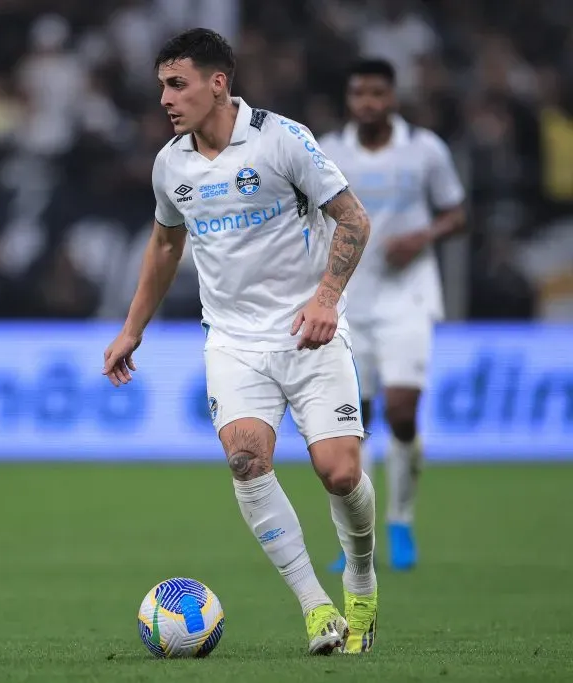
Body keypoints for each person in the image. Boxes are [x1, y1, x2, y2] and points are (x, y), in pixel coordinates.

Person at [102, 28, 377, 655]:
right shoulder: (171, 164)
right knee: (246, 460)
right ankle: (317, 610)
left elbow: (354, 219)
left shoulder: (283, 140)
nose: (167, 99)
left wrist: (327, 299)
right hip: (231, 342)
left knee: (338, 474)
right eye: (162, 87)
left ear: (217, 82)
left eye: (178, 84)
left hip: (308, 334)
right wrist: (131, 329)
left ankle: (361, 579)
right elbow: (167, 244)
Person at [319, 59, 466, 572]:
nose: (368, 103)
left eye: (377, 93)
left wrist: (423, 237)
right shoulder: (327, 152)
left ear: (393, 98)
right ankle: (354, 538)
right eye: (359, 93)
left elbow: (457, 211)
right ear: (349, 99)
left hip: (409, 297)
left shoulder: (425, 150)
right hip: (349, 302)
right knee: (351, 425)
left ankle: (400, 520)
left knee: (401, 412)